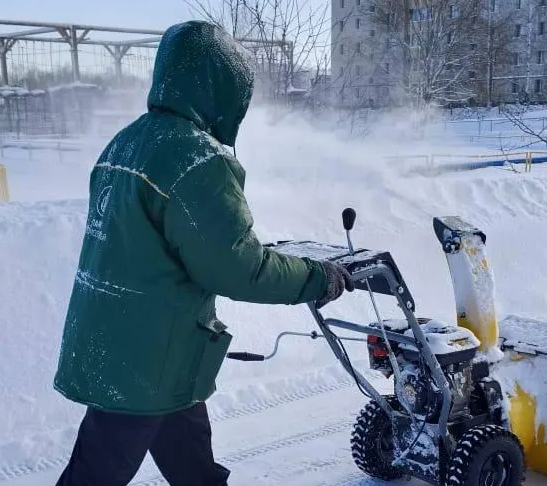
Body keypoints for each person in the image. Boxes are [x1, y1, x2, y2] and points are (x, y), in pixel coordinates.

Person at [52, 20, 354, 486]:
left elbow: (169, 246)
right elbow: (239, 269)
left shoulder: (129, 141)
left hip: (132, 342)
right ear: (219, 87)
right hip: (146, 359)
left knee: (192, 460)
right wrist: (318, 278)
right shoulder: (194, 158)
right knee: (96, 473)